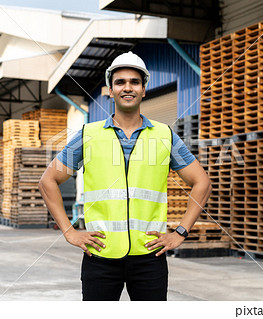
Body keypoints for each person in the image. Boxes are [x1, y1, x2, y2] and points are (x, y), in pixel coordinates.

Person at [39, 51, 212, 301]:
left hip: (149, 259)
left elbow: (202, 183)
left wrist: (180, 232)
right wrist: (69, 231)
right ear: (110, 90)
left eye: (134, 82)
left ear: (144, 90)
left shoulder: (165, 136)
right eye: (120, 82)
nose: (127, 87)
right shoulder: (89, 135)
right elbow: (48, 181)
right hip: (100, 257)